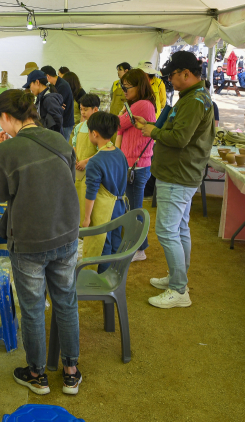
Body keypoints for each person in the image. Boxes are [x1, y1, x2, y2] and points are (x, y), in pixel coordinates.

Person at [0, 89, 82, 395]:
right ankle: (70, 372)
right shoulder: (59, 140)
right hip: (65, 233)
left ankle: (37, 374)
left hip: (28, 240)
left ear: (6, 117)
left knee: (33, 307)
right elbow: (67, 179)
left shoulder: (7, 151)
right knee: (66, 302)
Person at [134, 51, 214, 309]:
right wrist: (150, 126)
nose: (169, 79)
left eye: (172, 74)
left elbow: (179, 138)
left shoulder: (193, 101)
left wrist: (153, 130)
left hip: (178, 174)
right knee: (179, 229)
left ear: (186, 74)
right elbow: (177, 131)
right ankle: (178, 278)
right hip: (183, 173)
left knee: (168, 231)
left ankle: (179, 289)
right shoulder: (194, 97)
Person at [116, 69, 157, 262]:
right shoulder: (140, 104)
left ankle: (139, 249)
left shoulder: (141, 105)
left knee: (134, 209)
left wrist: (121, 115)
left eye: (126, 87)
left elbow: (117, 124)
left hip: (136, 165)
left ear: (138, 86)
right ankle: (139, 247)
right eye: (122, 86)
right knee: (132, 208)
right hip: (135, 163)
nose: (123, 90)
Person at [81, 112, 128, 273]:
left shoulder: (95, 161)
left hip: (104, 210)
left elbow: (91, 192)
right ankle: (115, 276)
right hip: (120, 205)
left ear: (94, 133)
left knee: (103, 245)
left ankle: (103, 280)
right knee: (116, 242)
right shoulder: (119, 153)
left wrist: (86, 218)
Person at [70, 94, 101, 203]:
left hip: (92, 171)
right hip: (78, 171)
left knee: (89, 199)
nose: (82, 112)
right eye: (81, 109)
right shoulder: (79, 127)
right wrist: (75, 159)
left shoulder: (100, 128)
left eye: (86, 109)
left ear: (95, 109)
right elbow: (74, 145)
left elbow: (103, 151)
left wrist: (86, 162)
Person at [41, 65, 75, 141]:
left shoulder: (62, 86)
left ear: (48, 76)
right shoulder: (56, 84)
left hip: (65, 123)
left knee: (63, 148)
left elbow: (55, 105)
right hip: (61, 121)